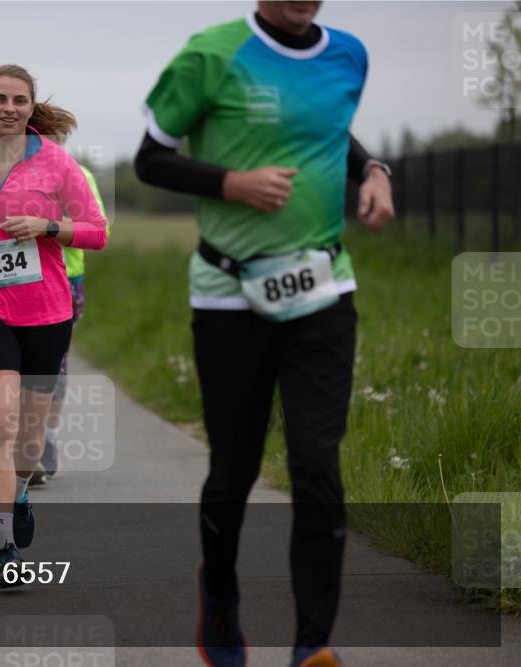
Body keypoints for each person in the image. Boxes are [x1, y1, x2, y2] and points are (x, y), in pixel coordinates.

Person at [136, 2, 394, 666]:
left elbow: (330, 130)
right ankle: (219, 594)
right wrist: (231, 183)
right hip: (230, 295)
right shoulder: (212, 53)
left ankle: (312, 645)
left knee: (316, 462)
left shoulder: (349, 55)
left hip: (323, 289)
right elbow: (150, 160)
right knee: (234, 469)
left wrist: (373, 170)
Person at [0, 64, 108, 586]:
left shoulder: (56, 162)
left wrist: (48, 226)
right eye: (0, 99)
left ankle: (22, 490)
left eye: (19, 100)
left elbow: (97, 231)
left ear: (31, 108)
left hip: (46, 310)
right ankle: (4, 547)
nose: (9, 108)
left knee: (29, 437)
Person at [34, 162, 109, 484]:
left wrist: (48, 226)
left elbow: (100, 229)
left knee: (56, 362)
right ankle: (25, 440)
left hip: (67, 277)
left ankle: (48, 438)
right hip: (23, 277)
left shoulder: (79, 174)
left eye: (56, 137)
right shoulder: (8, 171)